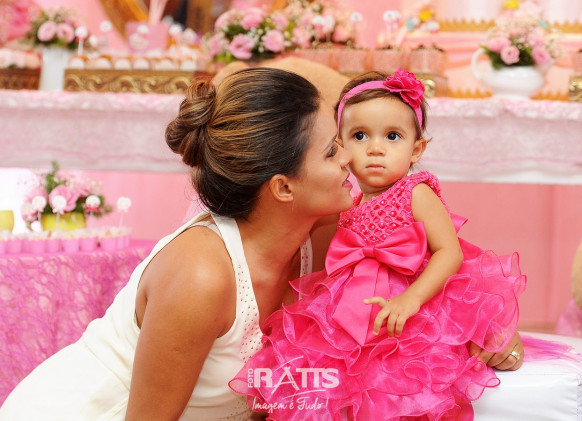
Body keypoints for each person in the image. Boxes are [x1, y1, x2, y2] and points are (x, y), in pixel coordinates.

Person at [0, 68, 524, 421]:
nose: (352, 158)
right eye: (333, 149)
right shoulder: (202, 276)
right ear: (283, 188)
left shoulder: (325, 229)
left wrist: (486, 333)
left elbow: (426, 273)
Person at [229, 69, 527, 420]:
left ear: (416, 148)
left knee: (402, 377)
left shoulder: (416, 192)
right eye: (359, 136)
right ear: (340, 146)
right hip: (356, 304)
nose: (374, 148)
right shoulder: (347, 203)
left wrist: (411, 299)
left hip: (412, 299)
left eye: (392, 136)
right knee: (332, 370)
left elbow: (450, 251)